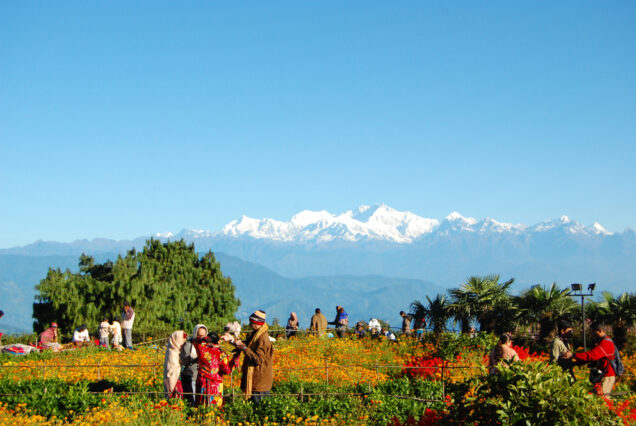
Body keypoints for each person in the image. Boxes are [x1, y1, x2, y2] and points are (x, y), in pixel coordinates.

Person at [234, 310, 273, 403]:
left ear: (257, 323)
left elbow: (258, 359)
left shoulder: (262, 338)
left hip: (260, 381)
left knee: (260, 408)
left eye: (251, 322)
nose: (249, 325)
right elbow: (247, 345)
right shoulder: (255, 335)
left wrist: (244, 348)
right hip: (256, 380)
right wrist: (233, 341)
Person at [193, 332, 239, 407]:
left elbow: (195, 340)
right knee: (215, 407)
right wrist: (236, 357)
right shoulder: (221, 353)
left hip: (202, 381)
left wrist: (203, 339)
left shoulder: (201, 348)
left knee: (201, 406)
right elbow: (227, 370)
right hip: (215, 384)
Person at [572, 323, 617, 396]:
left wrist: (574, 355)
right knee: (599, 398)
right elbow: (593, 357)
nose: (591, 334)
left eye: (592, 332)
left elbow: (592, 355)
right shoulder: (603, 342)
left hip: (607, 376)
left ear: (599, 330)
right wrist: (576, 363)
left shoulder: (606, 343)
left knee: (603, 400)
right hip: (603, 375)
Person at [180, 324, 208, 406]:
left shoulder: (207, 344)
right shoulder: (188, 344)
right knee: (192, 398)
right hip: (191, 375)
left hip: (203, 376)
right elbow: (186, 360)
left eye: (203, 335)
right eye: (199, 335)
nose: (201, 337)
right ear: (195, 333)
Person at [163, 330, 187, 399]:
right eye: (182, 339)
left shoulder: (177, 349)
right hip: (174, 378)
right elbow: (172, 366)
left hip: (179, 377)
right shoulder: (172, 352)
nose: (184, 341)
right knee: (174, 395)